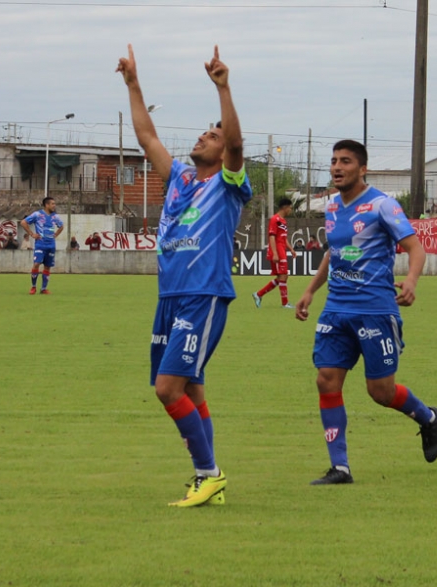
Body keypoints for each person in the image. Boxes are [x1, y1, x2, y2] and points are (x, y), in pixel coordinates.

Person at [118, 44, 252, 507]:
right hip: (170, 295)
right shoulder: (178, 178)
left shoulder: (229, 182)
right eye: (203, 133)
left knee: (167, 388)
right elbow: (146, 136)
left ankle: (208, 472)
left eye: (210, 135)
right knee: (191, 388)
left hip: (203, 295)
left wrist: (224, 90)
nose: (204, 137)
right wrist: (133, 83)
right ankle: (209, 479)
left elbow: (235, 145)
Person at [295, 139, 437, 486]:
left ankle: (428, 417)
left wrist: (411, 280)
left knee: (380, 392)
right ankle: (340, 468)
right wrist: (310, 290)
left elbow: (415, 248)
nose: (337, 167)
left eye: (345, 161)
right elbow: (334, 251)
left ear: (362, 169)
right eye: (333, 161)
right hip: (336, 309)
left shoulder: (382, 205)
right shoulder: (332, 207)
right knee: (325, 380)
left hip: (375, 310)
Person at [253, 197, 297, 309]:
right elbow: (272, 237)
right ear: (285, 207)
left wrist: (291, 249)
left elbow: (283, 237)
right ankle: (285, 303)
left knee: (283, 276)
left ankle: (258, 294)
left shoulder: (283, 221)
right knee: (283, 275)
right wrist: (275, 253)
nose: (290, 210)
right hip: (277, 250)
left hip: (282, 250)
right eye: (290, 208)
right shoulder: (275, 219)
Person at [21, 197, 64, 295]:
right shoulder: (37, 214)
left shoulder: (55, 216)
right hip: (40, 244)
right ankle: (33, 287)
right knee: (36, 264)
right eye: (52, 204)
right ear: (47, 205)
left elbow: (61, 226)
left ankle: (43, 288)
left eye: (54, 203)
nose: (54, 205)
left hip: (51, 245)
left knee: (47, 267)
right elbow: (23, 222)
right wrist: (32, 234)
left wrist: (56, 234)